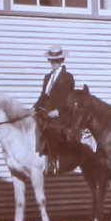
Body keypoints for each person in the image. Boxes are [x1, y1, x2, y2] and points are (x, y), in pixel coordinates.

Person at [33, 44, 75, 174]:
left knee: (52, 131)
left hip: (60, 115)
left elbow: (69, 99)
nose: (54, 63)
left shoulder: (68, 77)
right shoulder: (47, 77)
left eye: (57, 60)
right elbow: (43, 96)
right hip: (46, 112)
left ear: (61, 61)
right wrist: (34, 108)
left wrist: (58, 111)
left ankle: (53, 162)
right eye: (52, 60)